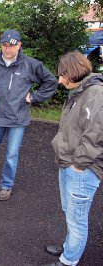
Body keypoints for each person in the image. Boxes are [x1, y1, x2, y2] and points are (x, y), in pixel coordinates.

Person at [0, 29, 57, 200]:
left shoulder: (30, 64)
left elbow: (50, 81)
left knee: (11, 155)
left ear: (19, 45)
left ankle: (6, 185)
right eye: (4, 45)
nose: (7, 49)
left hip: (17, 118)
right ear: (1, 45)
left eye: (11, 45)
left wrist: (34, 97)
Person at [43, 51, 103, 266]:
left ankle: (68, 260)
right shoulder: (81, 91)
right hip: (69, 162)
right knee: (70, 211)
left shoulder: (95, 93)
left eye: (63, 75)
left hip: (82, 168)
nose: (60, 80)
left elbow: (97, 133)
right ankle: (71, 247)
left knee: (76, 219)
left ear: (74, 72)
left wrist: (80, 163)